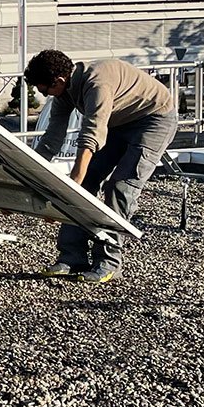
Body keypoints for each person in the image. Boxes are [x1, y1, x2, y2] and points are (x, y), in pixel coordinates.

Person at [25, 49, 177, 284]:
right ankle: (72, 257)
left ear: (60, 80)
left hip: (153, 119)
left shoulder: (97, 83)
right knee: (85, 182)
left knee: (121, 186)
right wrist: (26, 179)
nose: (44, 95)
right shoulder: (64, 94)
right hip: (119, 122)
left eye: (44, 89)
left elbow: (91, 134)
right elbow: (51, 140)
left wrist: (73, 182)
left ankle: (108, 263)